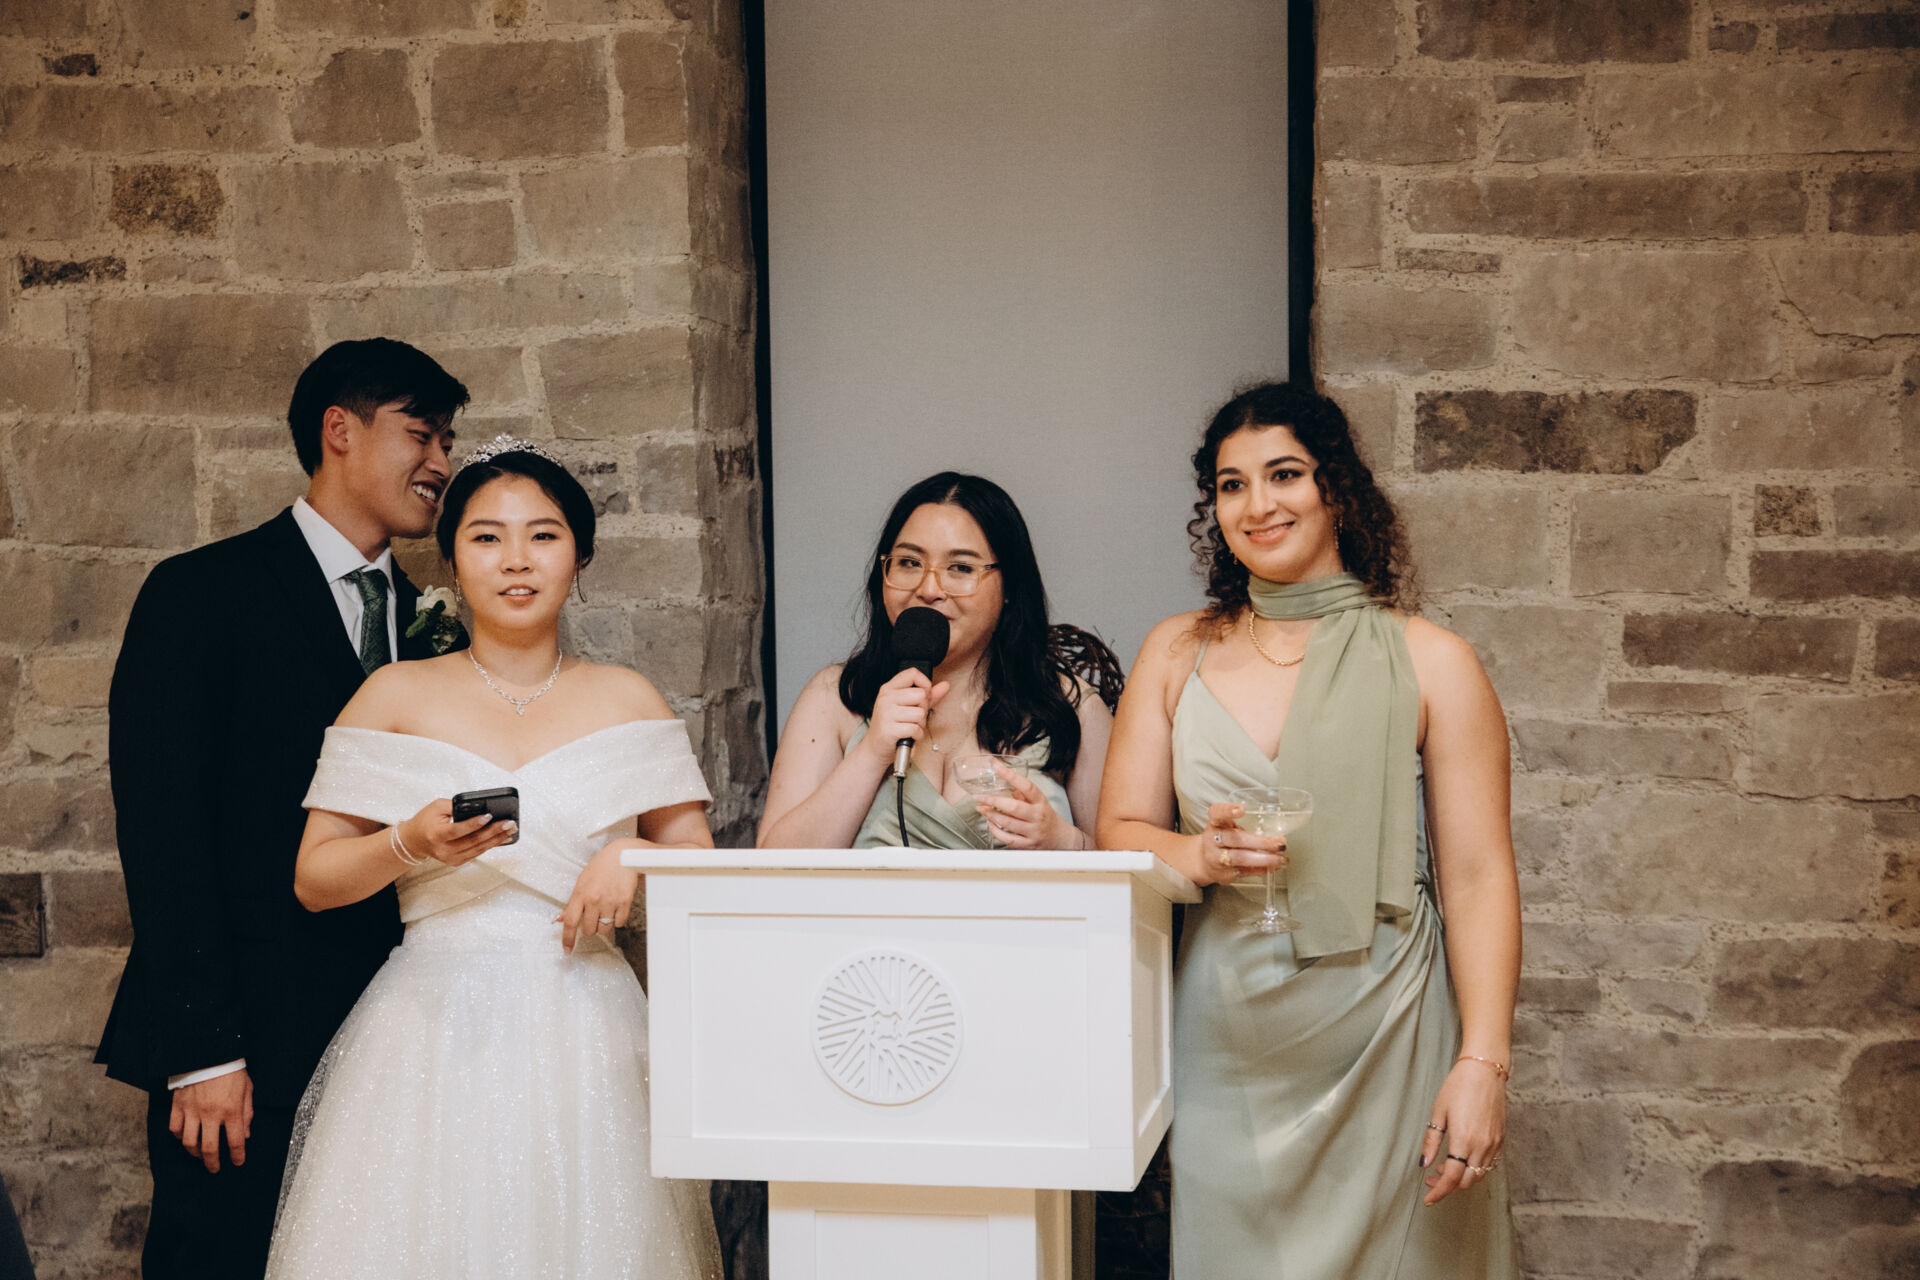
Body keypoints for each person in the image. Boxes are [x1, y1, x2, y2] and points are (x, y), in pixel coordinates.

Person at [264, 440, 721, 1280]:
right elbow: (314, 879)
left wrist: (632, 853)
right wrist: (408, 842)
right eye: (487, 537)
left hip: (588, 1024)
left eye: (543, 536)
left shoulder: (628, 698)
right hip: (430, 1029)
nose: (516, 560)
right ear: (451, 559)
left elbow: (698, 859)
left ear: (579, 557)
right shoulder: (393, 695)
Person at [1097, 382, 1519, 1278]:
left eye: (1283, 474)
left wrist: (1483, 1063)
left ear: (1336, 489)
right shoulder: (1175, 651)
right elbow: (1120, 830)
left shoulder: (1434, 661)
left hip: (1390, 1030)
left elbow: (1479, 876)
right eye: (1232, 485)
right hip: (1228, 1038)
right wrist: (1196, 852)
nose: (1258, 504)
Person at [97, 339, 470, 1279]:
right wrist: (203, 1053)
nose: (442, 463)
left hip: (391, 1034)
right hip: (246, 1038)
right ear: (340, 430)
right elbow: (163, 831)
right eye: (422, 434)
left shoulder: (432, 624)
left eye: (448, 441)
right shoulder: (201, 593)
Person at [759, 471, 1115, 852]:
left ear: (1010, 586)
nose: (929, 589)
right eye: (909, 562)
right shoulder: (833, 696)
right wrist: (873, 751)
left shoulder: (1073, 707)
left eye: (960, 568)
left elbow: (1136, 869)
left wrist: (1063, 842)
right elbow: (774, 868)